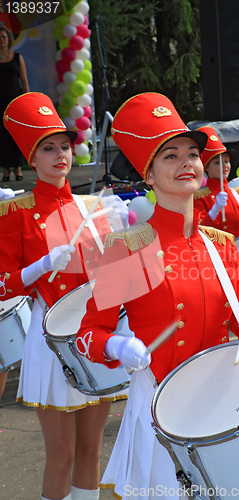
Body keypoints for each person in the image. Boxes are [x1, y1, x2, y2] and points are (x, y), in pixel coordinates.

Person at [75, 92, 239, 499]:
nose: (186, 162)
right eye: (170, 155)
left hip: (225, 401)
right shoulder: (128, 247)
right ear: (147, 175)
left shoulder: (221, 245)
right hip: (163, 407)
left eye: (191, 153)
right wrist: (117, 343)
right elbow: (88, 335)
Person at [0, 92, 129, 500]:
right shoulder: (16, 211)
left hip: (95, 331)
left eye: (65, 146)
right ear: (31, 160)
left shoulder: (93, 207)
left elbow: (115, 280)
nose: (60, 155)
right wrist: (39, 268)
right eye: (48, 148)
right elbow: (2, 283)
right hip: (52, 336)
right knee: (61, 455)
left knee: (92, 449)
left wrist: (132, 241)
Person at [0, 24, 30, 182]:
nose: (1, 41)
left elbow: (24, 82)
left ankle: (18, 168)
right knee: (2, 137)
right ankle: (5, 171)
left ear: (8, 39)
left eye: (3, 37)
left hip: (15, 101)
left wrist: (27, 102)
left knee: (15, 134)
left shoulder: (17, 57)